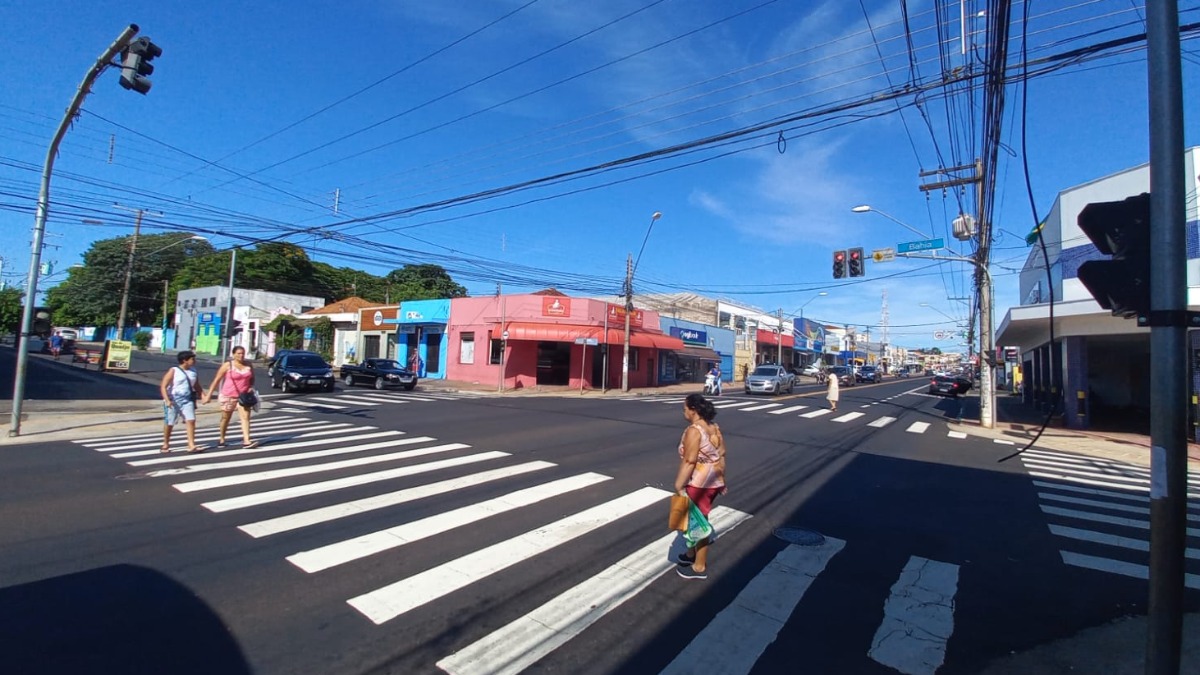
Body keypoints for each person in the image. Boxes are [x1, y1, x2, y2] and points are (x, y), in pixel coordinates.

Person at [674, 393, 727, 581]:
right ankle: (690, 555)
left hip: (699, 483)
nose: (684, 412)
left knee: (698, 523)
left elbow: (689, 460)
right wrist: (722, 480)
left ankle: (699, 566)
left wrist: (678, 484)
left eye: (685, 409)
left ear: (693, 410)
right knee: (692, 520)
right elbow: (721, 454)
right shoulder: (714, 427)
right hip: (713, 481)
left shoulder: (694, 431)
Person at [206, 345, 260, 449]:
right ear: (234, 354)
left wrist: (250, 387)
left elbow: (252, 378)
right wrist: (209, 395)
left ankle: (246, 440)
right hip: (228, 395)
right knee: (226, 418)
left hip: (243, 396)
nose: (241, 355)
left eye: (243, 353)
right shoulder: (228, 365)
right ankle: (222, 438)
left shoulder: (248, 365)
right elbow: (217, 379)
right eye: (239, 353)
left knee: (245, 418)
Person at [160, 350, 207, 454]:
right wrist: (167, 400)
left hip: (188, 400)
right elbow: (163, 386)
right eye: (192, 359)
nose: (194, 361)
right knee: (170, 423)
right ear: (184, 360)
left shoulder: (193, 371)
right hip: (173, 400)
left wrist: (203, 395)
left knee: (191, 420)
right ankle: (166, 443)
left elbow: (196, 385)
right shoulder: (174, 370)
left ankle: (191, 444)